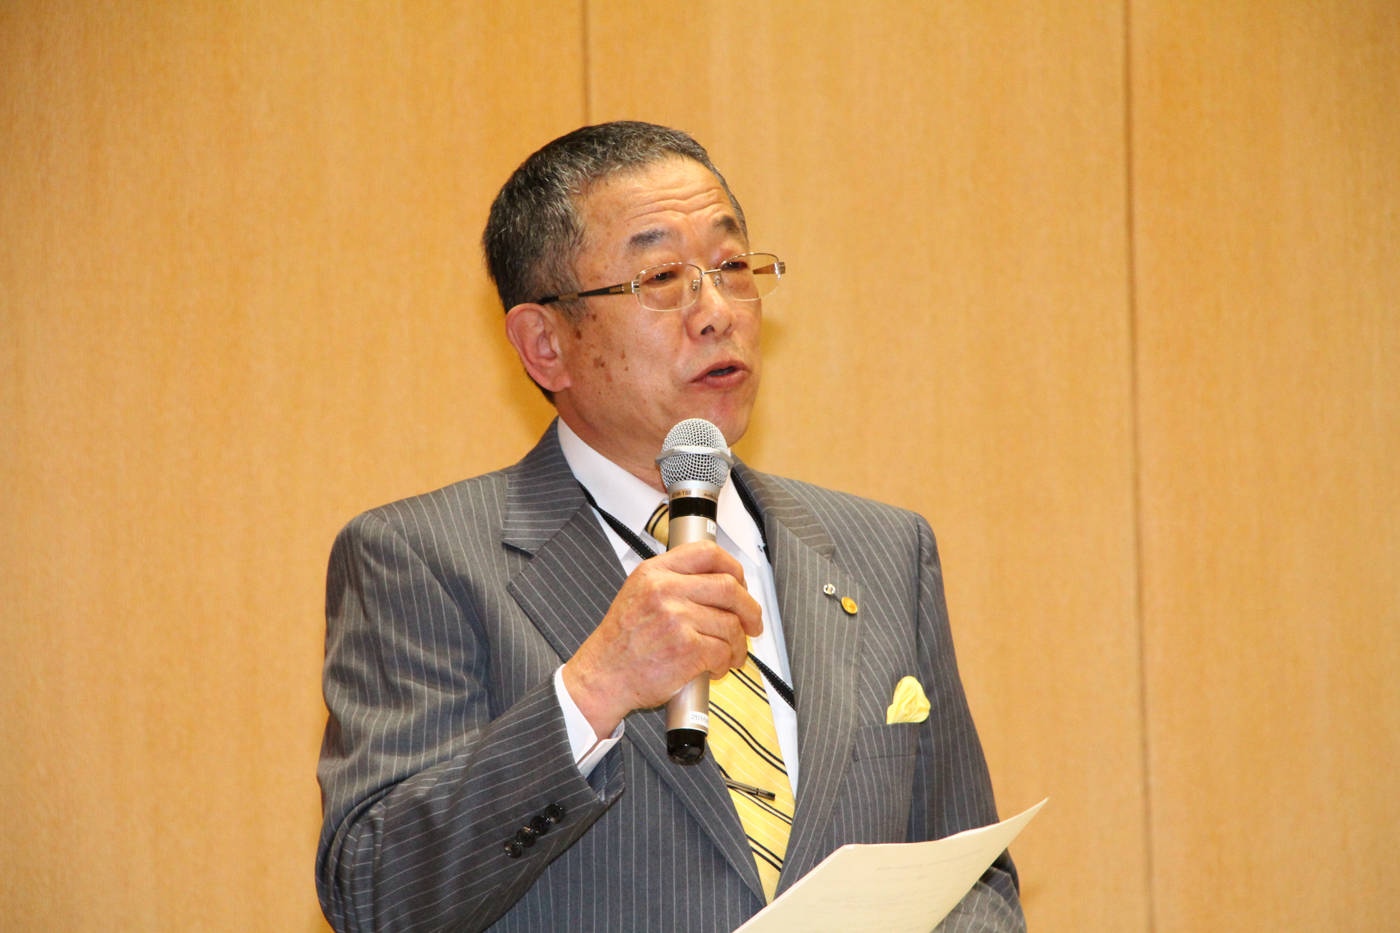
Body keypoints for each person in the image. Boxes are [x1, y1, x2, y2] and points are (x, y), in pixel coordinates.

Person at [316, 121, 1025, 933]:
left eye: (731, 267)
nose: (717, 312)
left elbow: (975, 877)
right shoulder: (419, 560)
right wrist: (594, 690)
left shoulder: (884, 549)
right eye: (660, 278)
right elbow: (375, 894)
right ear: (545, 344)